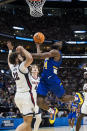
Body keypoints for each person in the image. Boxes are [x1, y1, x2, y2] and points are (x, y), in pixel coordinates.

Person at [32, 41, 74, 124]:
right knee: (39, 102)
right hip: (44, 79)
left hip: (52, 79)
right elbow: (40, 54)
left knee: (63, 98)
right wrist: (37, 46)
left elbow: (41, 56)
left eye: (59, 42)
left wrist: (25, 54)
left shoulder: (56, 52)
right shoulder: (50, 53)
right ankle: (52, 111)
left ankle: (77, 97)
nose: (56, 42)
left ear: (60, 47)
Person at [7, 42, 33, 131]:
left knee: (26, 122)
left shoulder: (12, 67)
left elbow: (9, 60)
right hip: (25, 96)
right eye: (19, 56)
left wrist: (10, 50)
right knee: (27, 122)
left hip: (18, 96)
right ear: (17, 60)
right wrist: (22, 49)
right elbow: (30, 58)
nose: (21, 56)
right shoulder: (21, 67)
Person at [29, 64, 42, 131]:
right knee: (27, 120)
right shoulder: (29, 78)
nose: (35, 68)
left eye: (36, 68)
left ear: (38, 71)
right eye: (33, 67)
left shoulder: (40, 79)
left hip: (37, 101)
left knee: (39, 118)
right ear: (31, 70)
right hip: (29, 100)